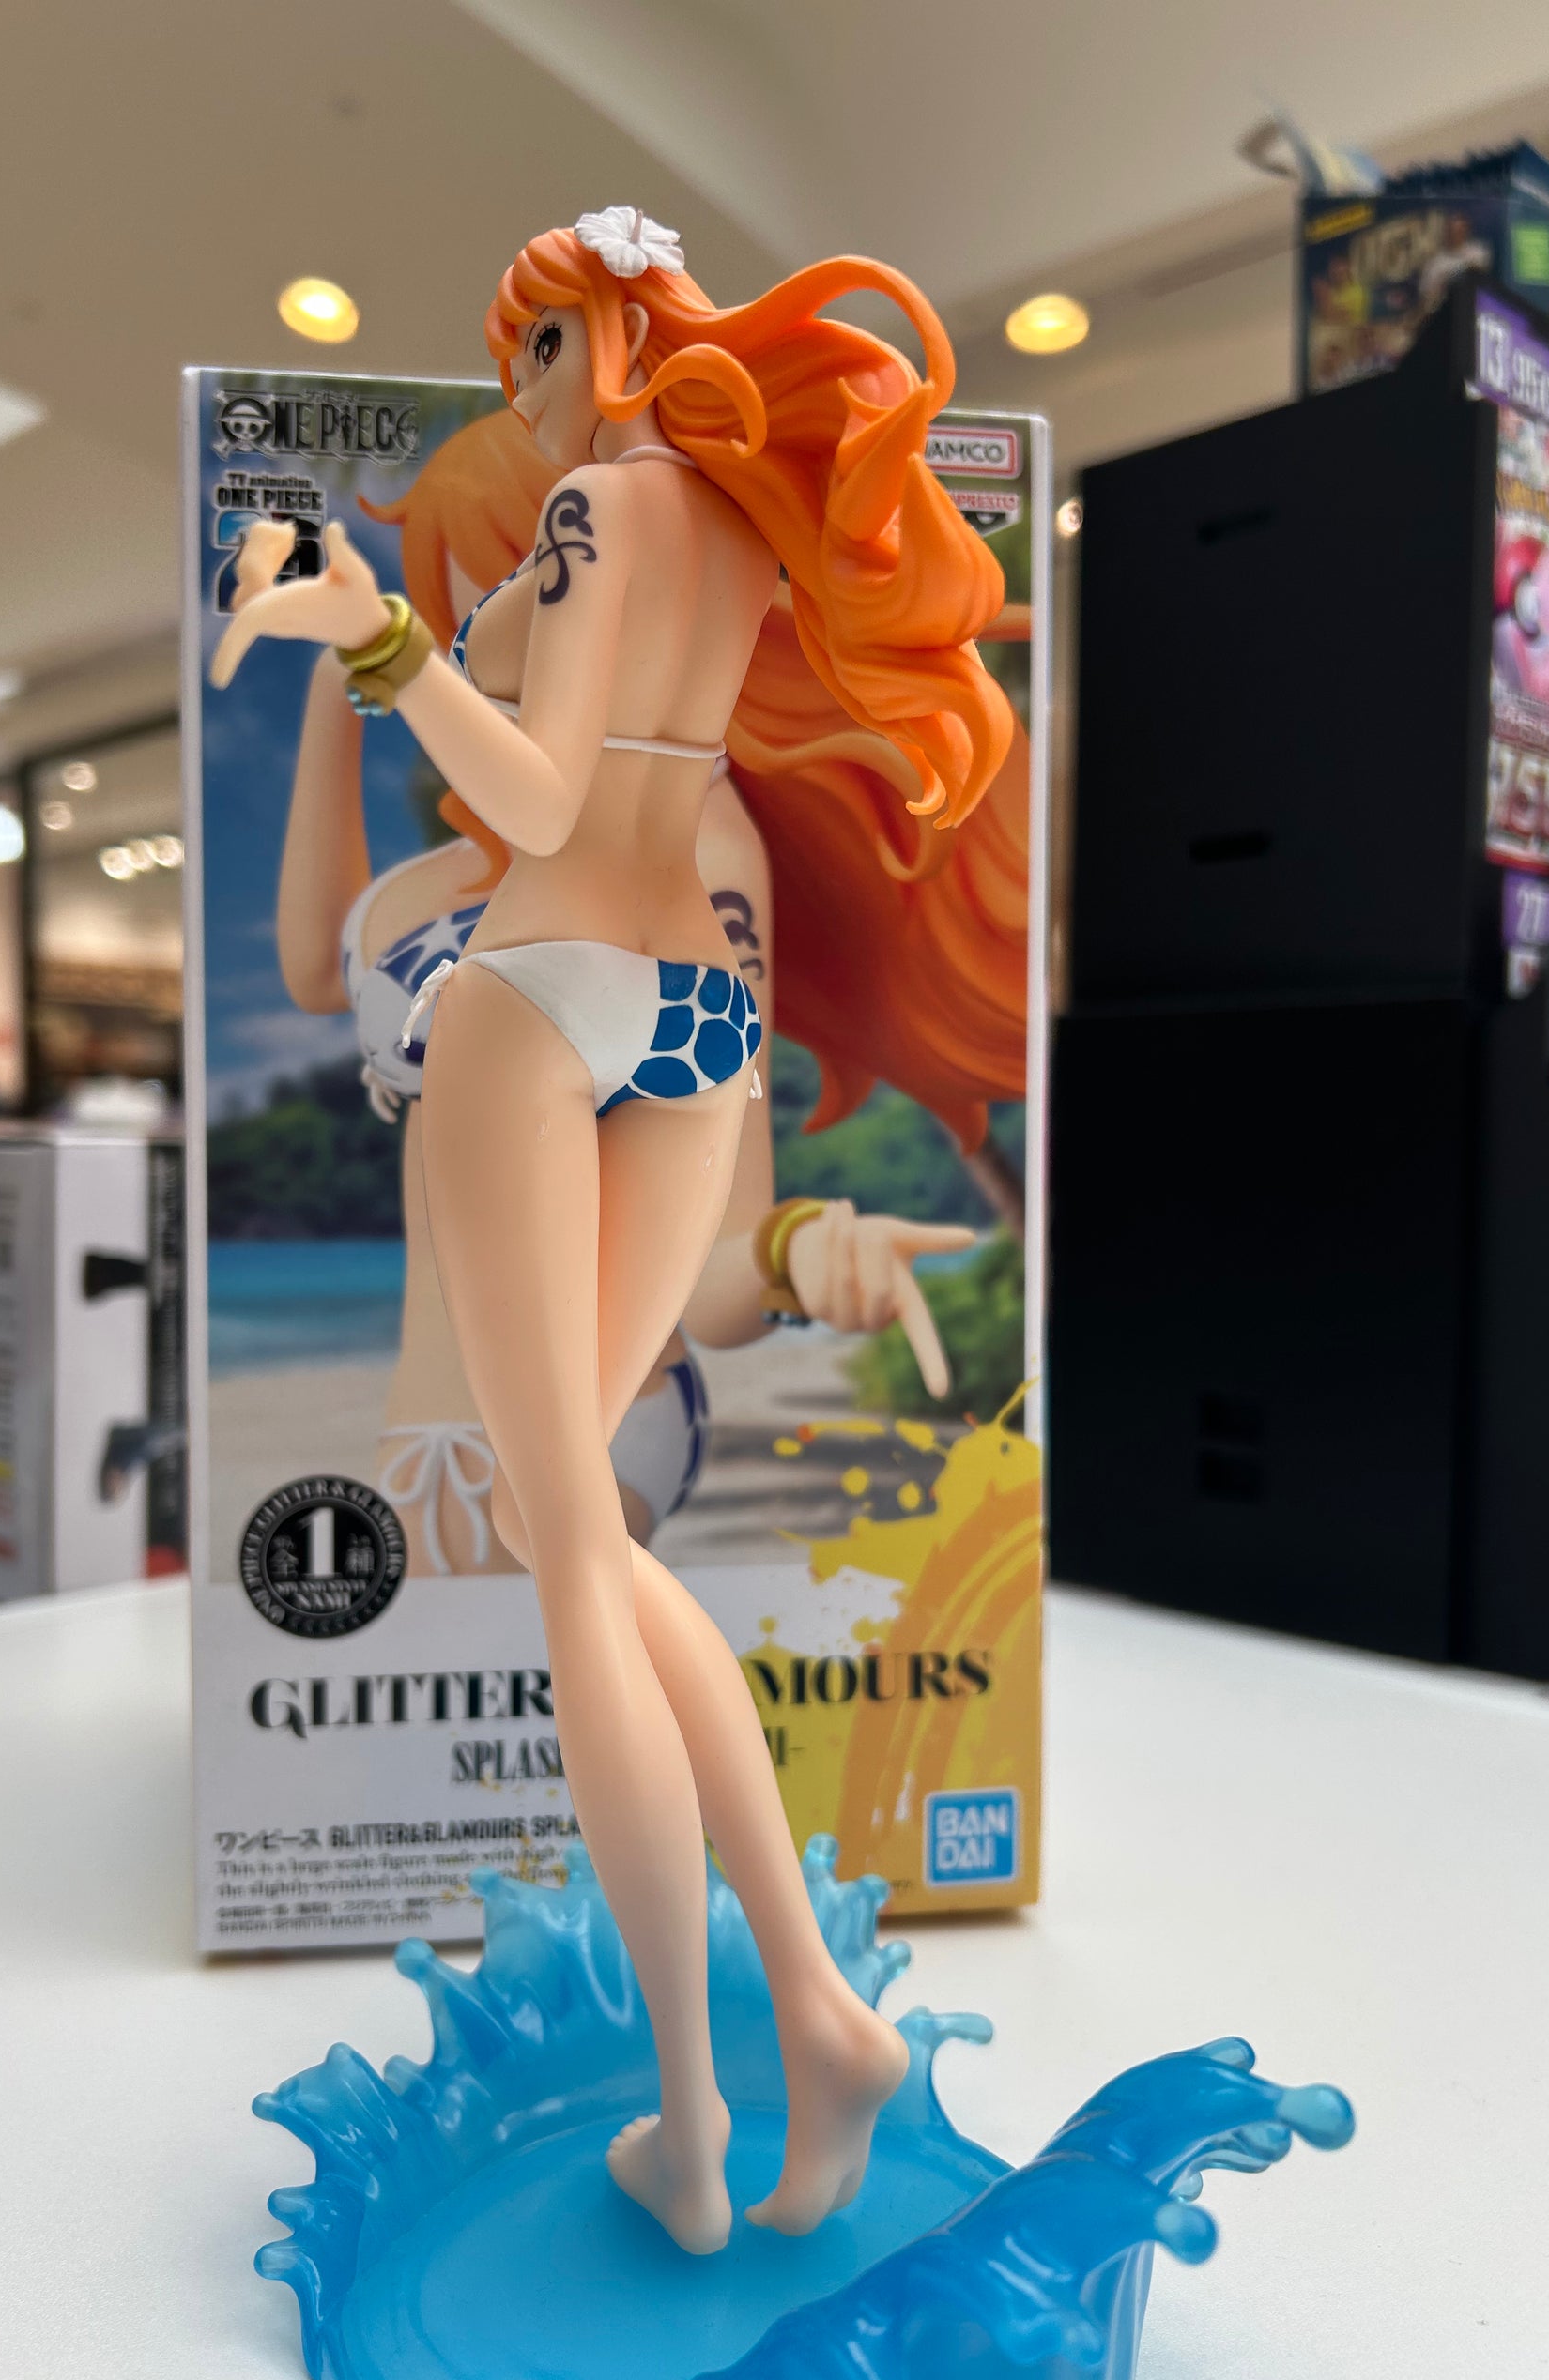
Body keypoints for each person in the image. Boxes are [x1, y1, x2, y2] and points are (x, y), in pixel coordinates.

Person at [214, 206, 1010, 2253]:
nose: (525, 393)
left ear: (612, 333)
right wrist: (387, 639)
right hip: (699, 1014)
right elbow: (586, 739)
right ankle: (816, 2012)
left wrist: (382, 653)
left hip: (553, 985)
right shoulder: (736, 531)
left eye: (538, 350)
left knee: (574, 1555)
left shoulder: (593, 512)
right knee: (616, 1558)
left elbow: (546, 803)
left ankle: (691, 2114)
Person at [274, 402, 1029, 1569]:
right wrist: (341, 684)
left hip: (603, 1417)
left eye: (546, 593)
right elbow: (316, 968)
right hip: (425, 1431)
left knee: (573, 1631)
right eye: (472, 600)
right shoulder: (445, 872)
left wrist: (795, 1256)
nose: (506, 639)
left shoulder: (694, 854)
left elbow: (712, 1260)